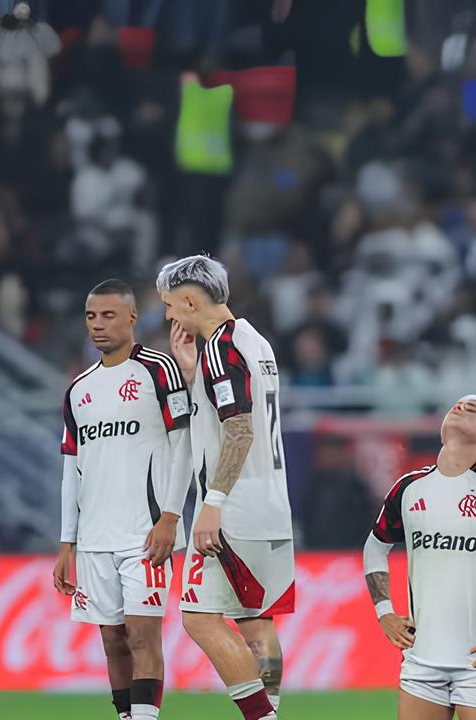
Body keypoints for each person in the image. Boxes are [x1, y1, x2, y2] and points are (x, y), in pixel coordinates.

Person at [157, 255, 294, 720]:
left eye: (171, 306)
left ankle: (263, 717)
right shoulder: (254, 341)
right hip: (273, 504)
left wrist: (212, 505)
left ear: (191, 300)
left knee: (198, 618)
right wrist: (194, 376)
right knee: (255, 621)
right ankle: (269, 711)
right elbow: (238, 412)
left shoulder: (220, 347)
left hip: (233, 506)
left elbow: (239, 431)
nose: (170, 317)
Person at [55, 279, 192, 720]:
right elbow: (70, 471)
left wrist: (171, 516)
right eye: (91, 316)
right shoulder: (78, 389)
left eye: (109, 315)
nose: (98, 325)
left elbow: (184, 444)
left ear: (133, 318)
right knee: (112, 641)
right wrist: (66, 543)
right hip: (95, 537)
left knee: (140, 637)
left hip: (145, 532)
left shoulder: (158, 369)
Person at [362, 395, 476, 720]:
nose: (461, 406)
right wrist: (384, 612)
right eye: (457, 405)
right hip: (420, 661)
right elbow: (375, 547)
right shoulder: (409, 487)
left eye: (474, 408)